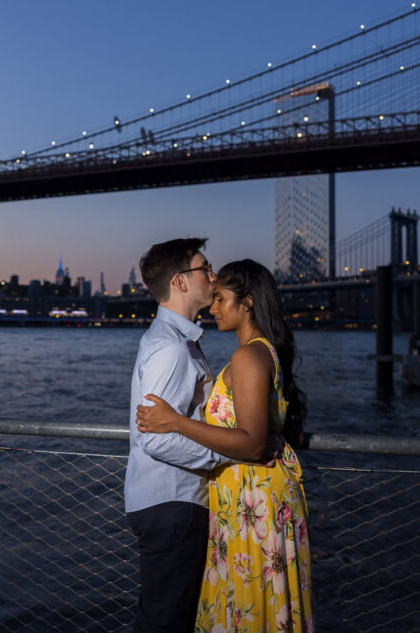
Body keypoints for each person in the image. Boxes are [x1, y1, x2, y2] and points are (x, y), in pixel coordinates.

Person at [136, 259, 314, 632]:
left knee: (247, 610)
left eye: (220, 299)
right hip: (252, 495)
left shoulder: (248, 356)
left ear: (247, 302)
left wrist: (175, 421)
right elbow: (267, 430)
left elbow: (250, 443)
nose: (213, 308)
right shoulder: (263, 352)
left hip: (253, 501)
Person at [124, 237, 232, 633]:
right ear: (181, 282)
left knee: (168, 618)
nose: (213, 275)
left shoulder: (176, 341)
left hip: (169, 502)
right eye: (205, 268)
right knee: (166, 622)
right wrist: (226, 455)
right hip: (174, 502)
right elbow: (156, 436)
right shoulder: (170, 348)